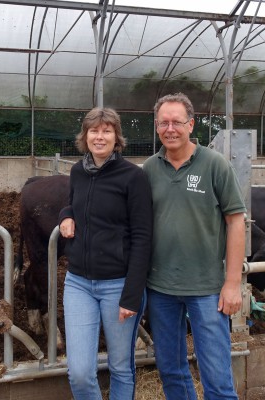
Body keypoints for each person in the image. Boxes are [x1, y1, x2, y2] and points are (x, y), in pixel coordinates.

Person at [143, 92, 246, 400]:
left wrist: (232, 283)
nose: (170, 128)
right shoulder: (148, 169)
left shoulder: (214, 164)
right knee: (171, 370)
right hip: (160, 287)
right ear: (157, 126)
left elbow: (236, 221)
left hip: (208, 289)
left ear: (191, 125)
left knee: (216, 374)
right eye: (163, 122)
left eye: (177, 122)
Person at [58, 107, 153, 400]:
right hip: (78, 283)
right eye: (94, 131)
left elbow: (142, 236)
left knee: (121, 366)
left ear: (117, 137)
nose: (100, 137)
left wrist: (132, 293)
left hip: (118, 285)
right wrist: (65, 214)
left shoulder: (133, 177)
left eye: (106, 130)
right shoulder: (77, 171)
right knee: (80, 372)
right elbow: (74, 203)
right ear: (85, 136)